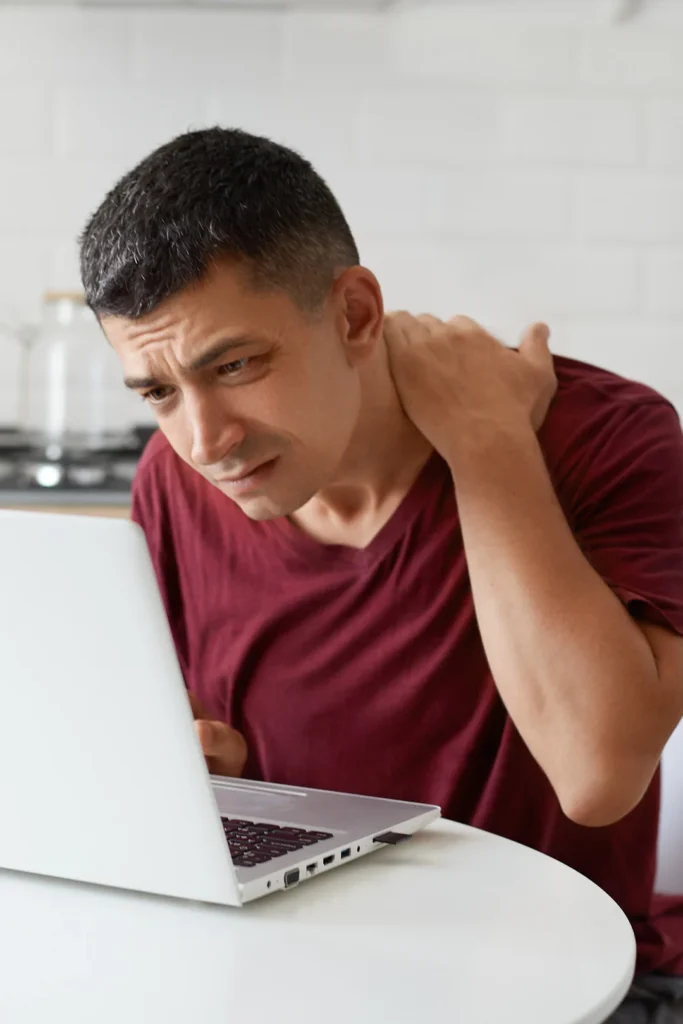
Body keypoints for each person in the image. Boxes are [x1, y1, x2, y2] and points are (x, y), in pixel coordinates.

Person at [80, 127, 683, 1021]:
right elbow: (191, 747)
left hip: (556, 989)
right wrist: (194, 769)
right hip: (286, 980)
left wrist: (485, 444)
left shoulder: (601, 436)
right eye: (158, 393)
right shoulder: (173, 484)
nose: (204, 442)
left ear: (356, 315)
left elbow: (597, 777)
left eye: (236, 364)